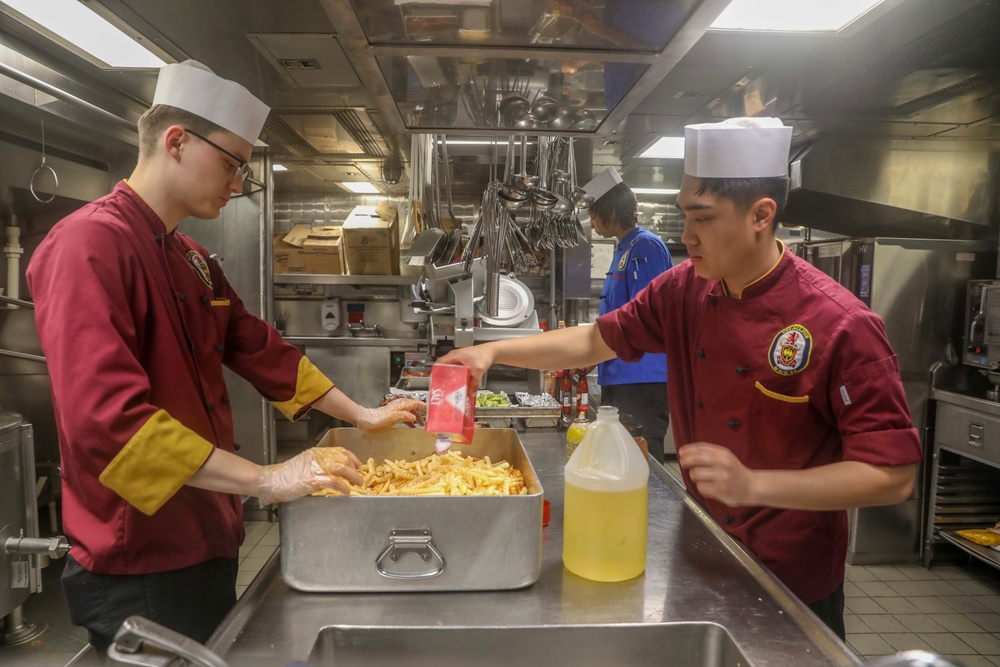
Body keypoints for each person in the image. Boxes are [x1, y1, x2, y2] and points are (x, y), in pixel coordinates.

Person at [440, 116, 921, 639]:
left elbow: (892, 475)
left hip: (793, 581)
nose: (687, 236)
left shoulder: (841, 324)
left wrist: (755, 484)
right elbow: (592, 340)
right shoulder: (685, 290)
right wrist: (490, 353)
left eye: (704, 218)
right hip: (702, 552)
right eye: (683, 216)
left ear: (762, 215)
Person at [26, 60, 422, 652]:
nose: (239, 182)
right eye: (233, 163)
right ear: (177, 142)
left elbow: (259, 348)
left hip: (206, 533)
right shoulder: (89, 245)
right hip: (144, 554)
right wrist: (267, 477)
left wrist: (360, 415)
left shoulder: (190, 256)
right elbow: (106, 423)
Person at [584, 167, 673, 461]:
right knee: (621, 460)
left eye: (594, 213)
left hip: (641, 377)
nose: (592, 221)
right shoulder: (623, 248)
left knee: (642, 460)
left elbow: (646, 315)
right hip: (620, 374)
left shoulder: (645, 245)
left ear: (610, 210)